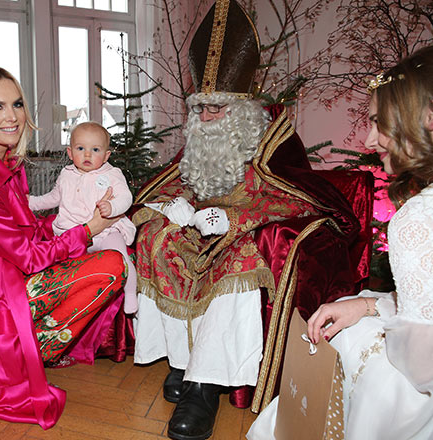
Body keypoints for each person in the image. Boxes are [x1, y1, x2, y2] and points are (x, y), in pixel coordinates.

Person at [131, 2, 361, 439]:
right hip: (195, 225)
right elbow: (181, 179)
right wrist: (173, 206)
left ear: (240, 108)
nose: (206, 118)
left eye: (216, 109)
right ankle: (182, 362)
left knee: (235, 261)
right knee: (153, 237)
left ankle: (205, 385)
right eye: (200, 108)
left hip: (241, 231)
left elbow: (295, 196)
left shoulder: (271, 134)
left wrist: (236, 218)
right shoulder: (200, 135)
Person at [0, 65, 127, 429]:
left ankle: (37, 344)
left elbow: (29, 230)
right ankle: (31, 348)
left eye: (16, 104)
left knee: (106, 260)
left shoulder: (5, 163)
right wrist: (87, 229)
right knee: (111, 266)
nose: (12, 116)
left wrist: (67, 224)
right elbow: (30, 255)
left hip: (12, 275)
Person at [247, 46, 433, 440]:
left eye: (380, 123)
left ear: (428, 120)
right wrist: (368, 304)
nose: (369, 139)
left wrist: (372, 324)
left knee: (350, 350)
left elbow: (420, 365)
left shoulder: (418, 217)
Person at [28, 121, 138, 313]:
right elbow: (53, 198)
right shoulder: (66, 174)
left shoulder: (112, 174)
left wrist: (111, 207)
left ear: (106, 155)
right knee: (68, 270)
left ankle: (130, 293)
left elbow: (126, 198)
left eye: (95, 149)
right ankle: (68, 304)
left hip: (106, 231)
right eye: (81, 148)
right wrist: (31, 202)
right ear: (70, 153)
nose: (87, 155)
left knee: (121, 259)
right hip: (74, 233)